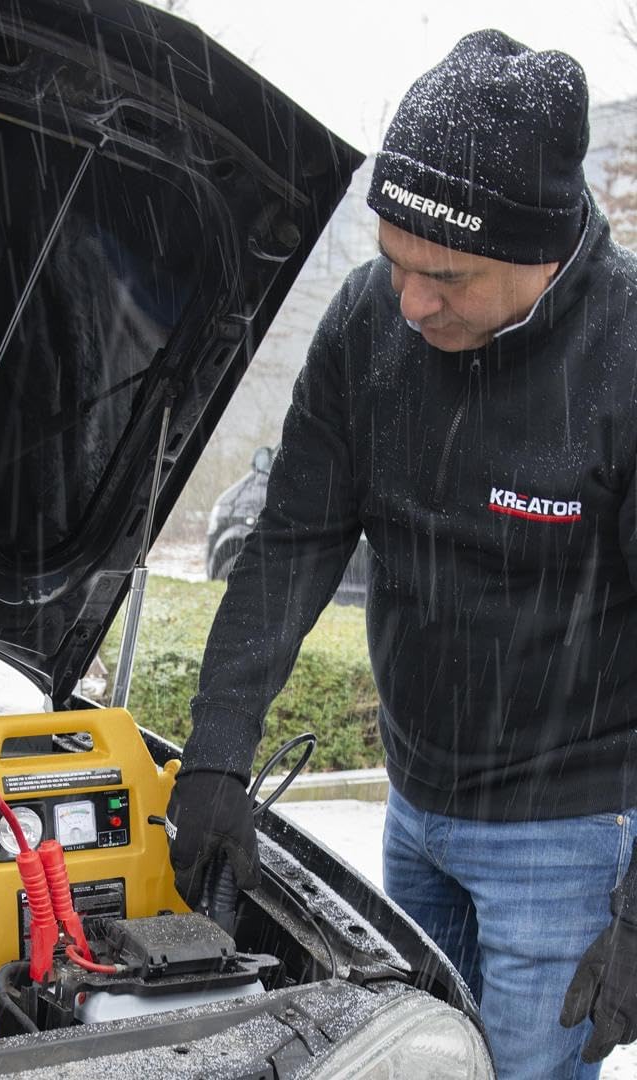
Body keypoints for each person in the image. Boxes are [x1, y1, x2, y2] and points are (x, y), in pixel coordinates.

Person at [165, 29, 637, 1080]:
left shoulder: (626, 359)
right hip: (414, 812)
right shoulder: (369, 325)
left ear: (544, 248)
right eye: (393, 261)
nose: (411, 301)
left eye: (446, 276)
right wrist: (215, 753)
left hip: (565, 837)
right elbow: (290, 543)